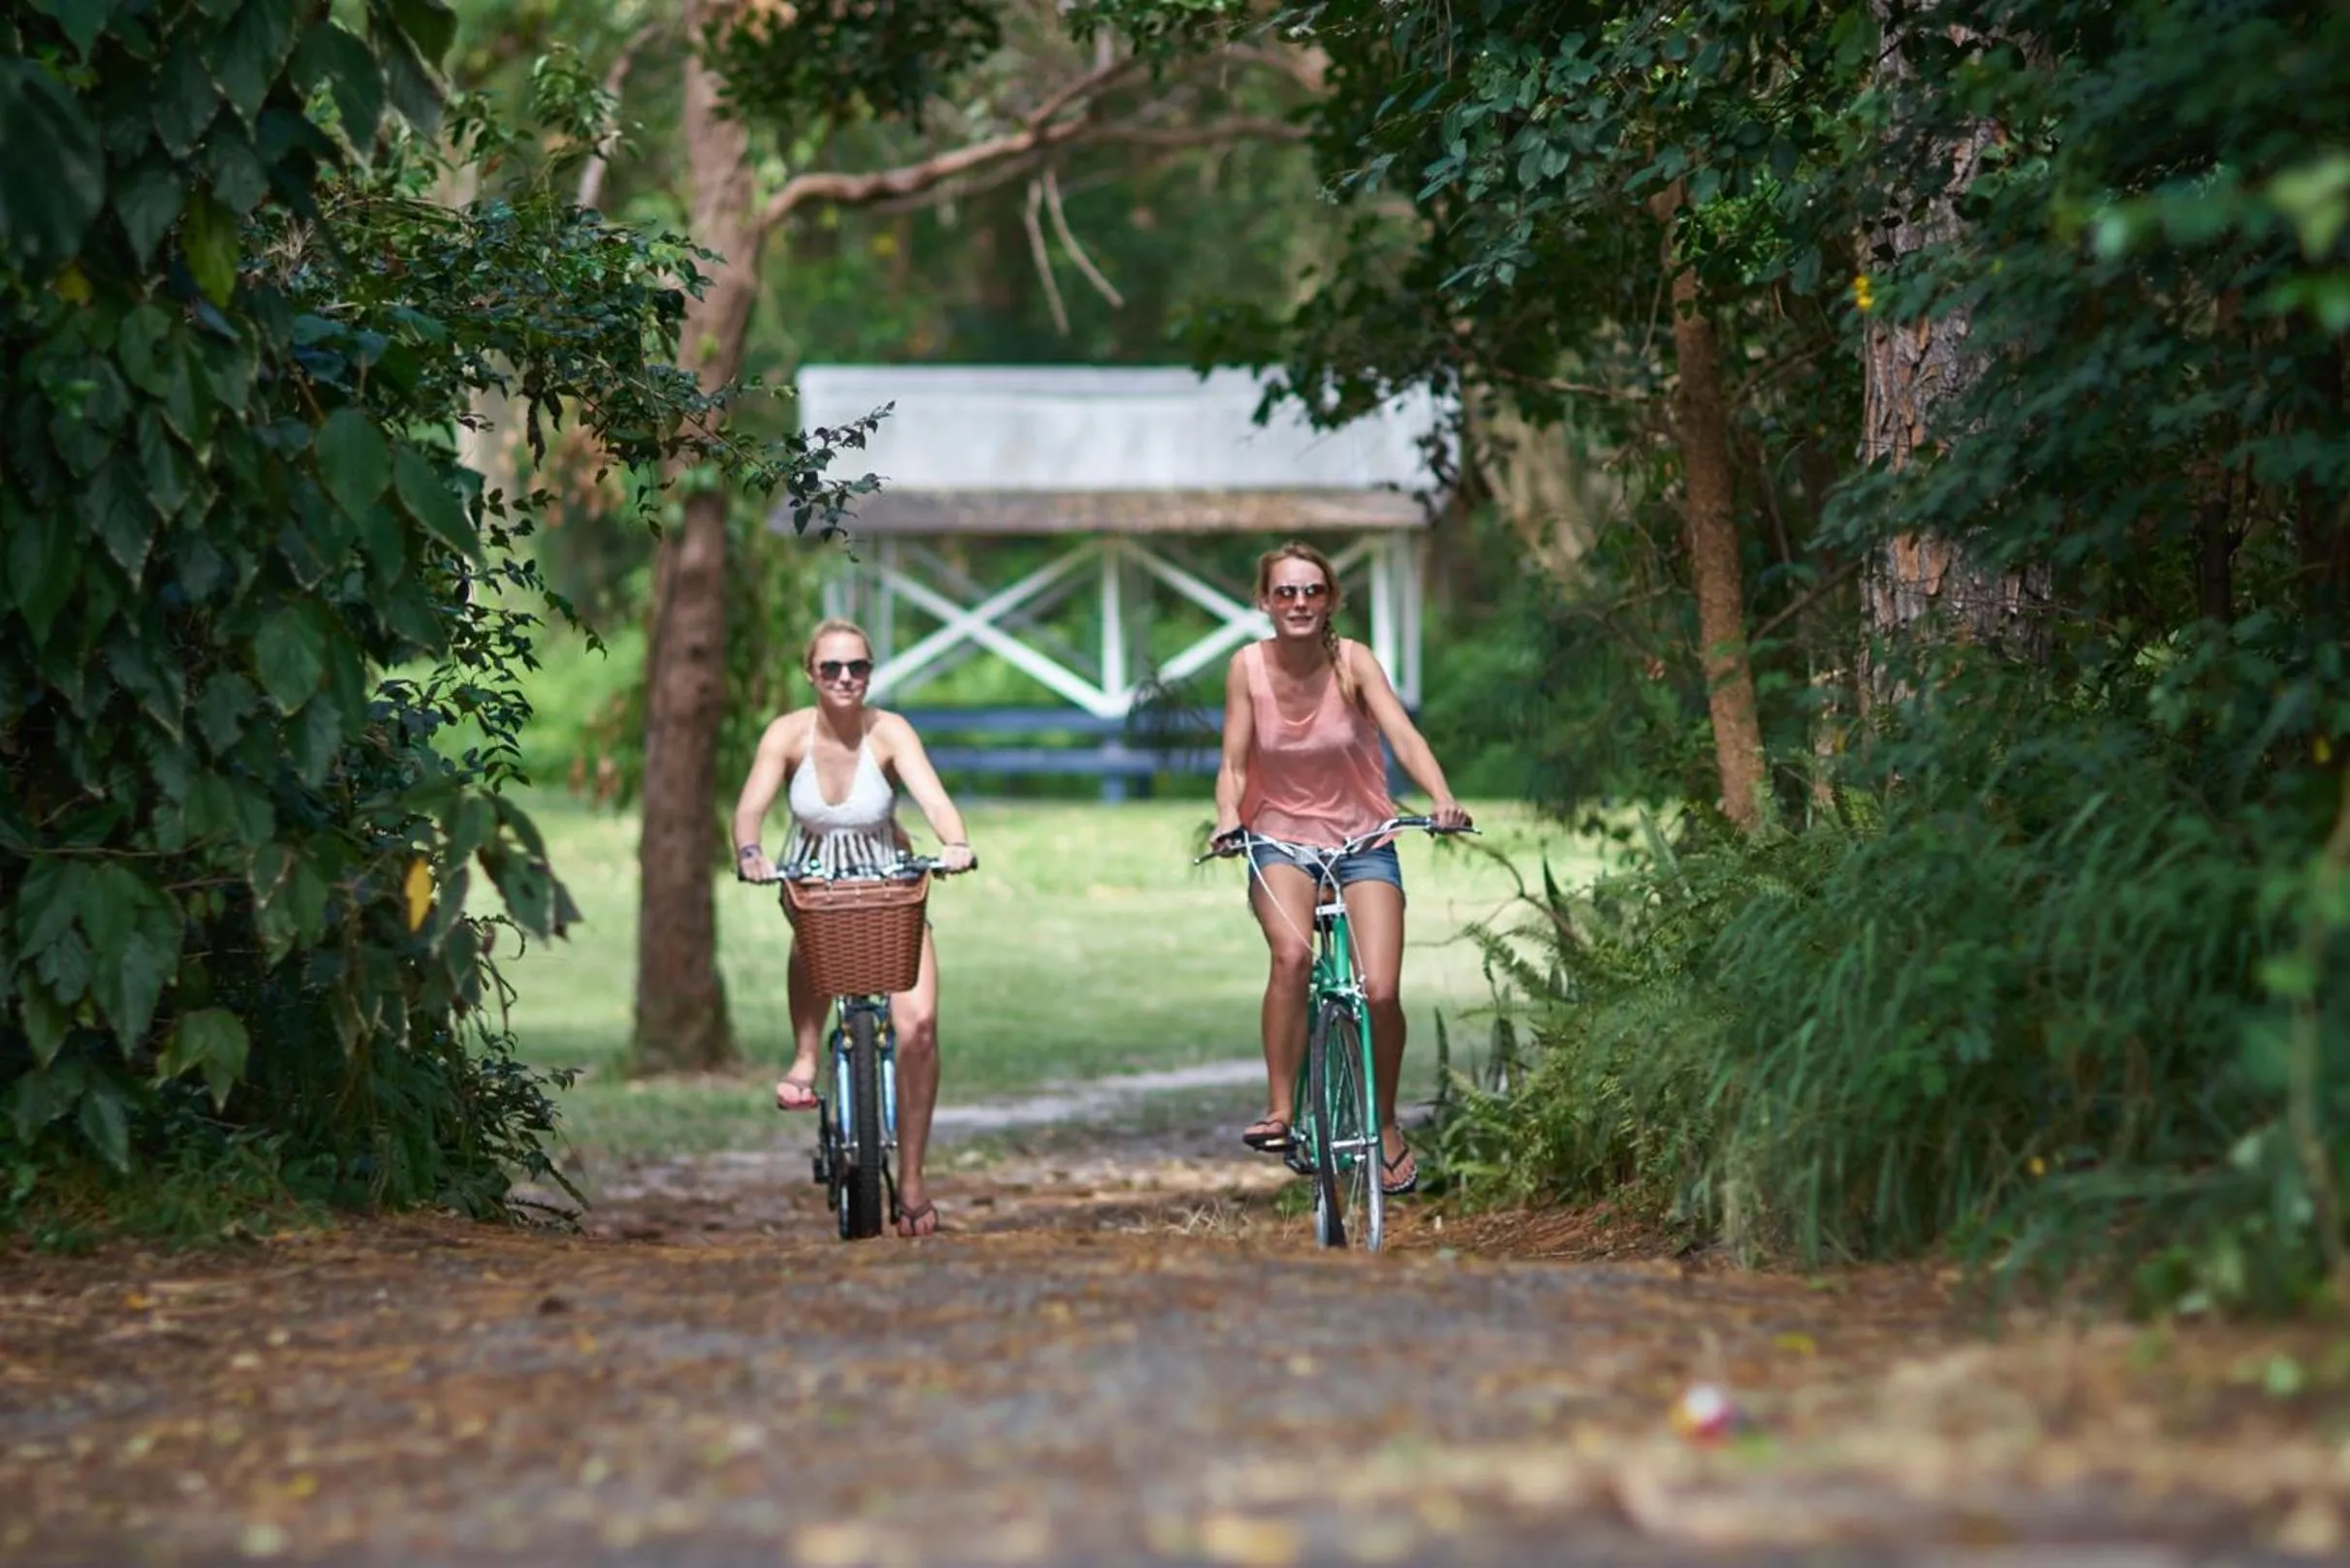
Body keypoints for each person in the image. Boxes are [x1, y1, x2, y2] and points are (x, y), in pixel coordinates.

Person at [1210, 542, 1471, 1197]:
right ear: (1264, 601)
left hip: (1364, 839)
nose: (1299, 603)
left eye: (1312, 591)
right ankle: (1280, 1110)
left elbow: (1402, 735)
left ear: (1330, 600)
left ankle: (1383, 1123)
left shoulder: (1353, 662)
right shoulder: (1246, 667)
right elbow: (1235, 763)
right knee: (1292, 958)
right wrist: (1227, 817)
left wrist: (1441, 797)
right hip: (1278, 838)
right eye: (1285, 592)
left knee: (1379, 990)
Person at [732, 618, 976, 1238]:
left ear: (870, 672)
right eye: (832, 668)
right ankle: (806, 1058)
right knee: (810, 930)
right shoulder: (787, 735)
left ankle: (912, 1180)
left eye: (858, 667)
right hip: (816, 884)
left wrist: (955, 842)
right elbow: (751, 808)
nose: (846, 678)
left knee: (918, 1028)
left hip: (890, 885)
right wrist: (750, 851)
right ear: (810, 674)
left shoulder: (890, 732)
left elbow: (934, 798)